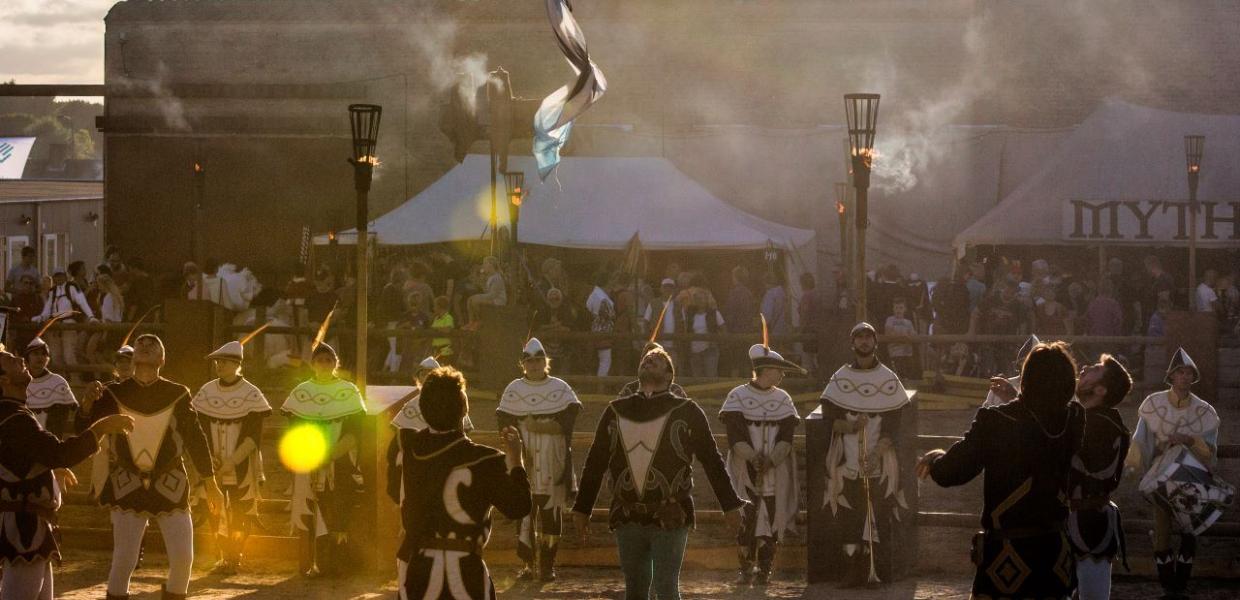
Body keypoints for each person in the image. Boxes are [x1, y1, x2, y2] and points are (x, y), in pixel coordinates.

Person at [573, 345, 745, 600]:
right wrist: (582, 508)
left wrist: (730, 505)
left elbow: (712, 460)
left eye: (658, 360)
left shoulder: (688, 411)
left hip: (671, 512)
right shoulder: (615, 410)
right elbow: (596, 461)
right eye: (646, 358)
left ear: (669, 375)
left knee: (666, 587)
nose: (649, 359)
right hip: (627, 513)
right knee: (635, 589)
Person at [917, 342, 1085, 600]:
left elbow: (953, 472)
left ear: (1027, 378)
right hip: (1056, 554)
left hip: (1009, 558)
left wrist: (936, 458)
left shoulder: (996, 421)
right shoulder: (1074, 419)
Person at [82, 334, 223, 600]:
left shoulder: (178, 393)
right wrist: (88, 404)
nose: (145, 345)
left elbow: (195, 437)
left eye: (153, 344)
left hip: (171, 481)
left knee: (183, 558)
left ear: (162, 358)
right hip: (128, 482)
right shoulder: (113, 393)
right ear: (133, 356)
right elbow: (85, 431)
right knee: (124, 560)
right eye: (140, 344)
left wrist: (210, 480)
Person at [0, 345, 134, 600]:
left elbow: (26, 458)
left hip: (28, 523)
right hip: (23, 527)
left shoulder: (13, 414)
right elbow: (60, 453)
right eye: (10, 360)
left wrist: (50, 470)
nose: (20, 359)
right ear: (4, 380)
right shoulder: (15, 419)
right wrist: (101, 428)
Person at [396, 367, 531, 600]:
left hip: (421, 570)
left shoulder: (412, 450)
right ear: (464, 409)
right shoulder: (486, 460)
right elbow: (519, 506)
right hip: (466, 573)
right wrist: (516, 461)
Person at [1128, 348, 1228, 598]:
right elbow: (1140, 441)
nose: (1184, 377)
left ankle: (1180, 586)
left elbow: (1210, 451)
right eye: (1179, 372)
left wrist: (1189, 440)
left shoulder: (1204, 411)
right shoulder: (1154, 405)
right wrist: (1134, 466)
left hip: (1191, 477)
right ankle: (1168, 586)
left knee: (1189, 529)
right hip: (1161, 476)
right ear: (1171, 376)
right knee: (1162, 533)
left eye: (1188, 373)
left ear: (1193, 378)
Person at [819, 322, 914, 586]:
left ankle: (877, 568)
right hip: (847, 460)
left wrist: (876, 454)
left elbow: (894, 425)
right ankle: (852, 570)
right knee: (849, 514)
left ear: (875, 342)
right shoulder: (840, 377)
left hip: (878, 460)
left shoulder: (887, 378)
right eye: (859, 337)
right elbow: (828, 419)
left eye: (868, 337)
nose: (864, 342)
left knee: (878, 513)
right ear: (852, 343)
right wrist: (849, 425)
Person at [496, 339, 581, 581]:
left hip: (553, 458)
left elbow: (567, 423)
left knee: (551, 513)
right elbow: (505, 425)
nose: (534, 365)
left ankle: (547, 565)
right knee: (524, 511)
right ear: (523, 364)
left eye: (538, 360)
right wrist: (517, 443)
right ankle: (527, 564)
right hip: (525, 457)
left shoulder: (560, 388)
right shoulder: (514, 389)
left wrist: (535, 426)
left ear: (546, 362)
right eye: (529, 361)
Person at [720, 340, 803, 586]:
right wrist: (754, 458)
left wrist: (772, 460)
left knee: (772, 517)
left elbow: (787, 435)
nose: (782, 374)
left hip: (775, 470)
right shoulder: (738, 396)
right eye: (778, 369)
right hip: (745, 468)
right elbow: (735, 436)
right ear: (766, 370)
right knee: (748, 517)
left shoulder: (784, 399)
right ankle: (745, 567)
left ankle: (765, 567)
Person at [283, 342, 366, 577]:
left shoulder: (348, 391)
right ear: (313, 364)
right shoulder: (302, 392)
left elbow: (355, 431)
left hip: (339, 461)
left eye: (329, 360)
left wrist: (331, 454)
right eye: (319, 360)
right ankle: (311, 562)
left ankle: (335, 564)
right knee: (311, 509)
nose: (324, 364)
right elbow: (294, 429)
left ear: (335, 364)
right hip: (309, 461)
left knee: (338, 508)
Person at [190, 338, 272, 574]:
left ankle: (235, 555)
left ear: (237, 364)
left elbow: (253, 435)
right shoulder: (207, 392)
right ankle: (221, 554)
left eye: (224, 362)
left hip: (241, 466)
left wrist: (232, 461)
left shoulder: (251, 394)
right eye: (218, 362)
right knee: (214, 508)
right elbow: (200, 429)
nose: (219, 366)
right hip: (212, 464)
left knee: (240, 508)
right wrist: (210, 459)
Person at [1069, 355, 1134, 600]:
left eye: (1094, 369)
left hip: (1089, 522)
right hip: (1062, 520)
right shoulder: (1080, 418)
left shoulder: (1103, 426)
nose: (1083, 368)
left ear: (1100, 390)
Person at [35, 269, 98, 378]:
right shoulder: (52, 291)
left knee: (69, 355)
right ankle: (61, 382)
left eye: (61, 276)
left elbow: (82, 302)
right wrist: (40, 317)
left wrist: (91, 317)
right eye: (56, 276)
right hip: (55, 326)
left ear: (65, 277)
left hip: (69, 324)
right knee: (55, 357)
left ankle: (75, 381)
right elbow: (47, 308)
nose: (59, 278)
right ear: (54, 278)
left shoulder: (71, 288)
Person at [22, 334, 77, 439]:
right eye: (35, 353)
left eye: (43, 354)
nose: (40, 357)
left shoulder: (58, 382)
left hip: (49, 440)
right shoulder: (19, 381)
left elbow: (61, 419)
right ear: (27, 357)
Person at [981, 334, 1040, 408]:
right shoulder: (1002, 386)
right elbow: (985, 413)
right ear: (1019, 365)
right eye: (1024, 362)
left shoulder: (1047, 390)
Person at [586, 272, 616, 377]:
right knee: (605, 361)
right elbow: (611, 315)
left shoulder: (593, 294)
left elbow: (588, 308)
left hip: (594, 329)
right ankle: (601, 386)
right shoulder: (602, 298)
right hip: (603, 330)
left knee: (599, 360)